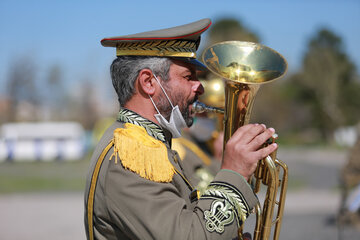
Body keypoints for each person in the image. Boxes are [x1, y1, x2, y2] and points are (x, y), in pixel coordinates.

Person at [84, 18, 277, 240]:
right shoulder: (131, 157)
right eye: (188, 77)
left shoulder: (148, 145)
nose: (200, 86)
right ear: (148, 82)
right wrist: (234, 172)